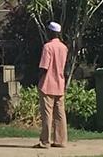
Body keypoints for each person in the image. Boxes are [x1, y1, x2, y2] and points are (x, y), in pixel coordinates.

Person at [34, 21, 68, 149]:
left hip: (48, 83)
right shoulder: (64, 47)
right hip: (60, 83)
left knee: (47, 114)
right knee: (60, 114)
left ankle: (45, 141)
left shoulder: (48, 47)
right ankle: (61, 140)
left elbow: (44, 66)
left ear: (51, 32)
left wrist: (38, 78)